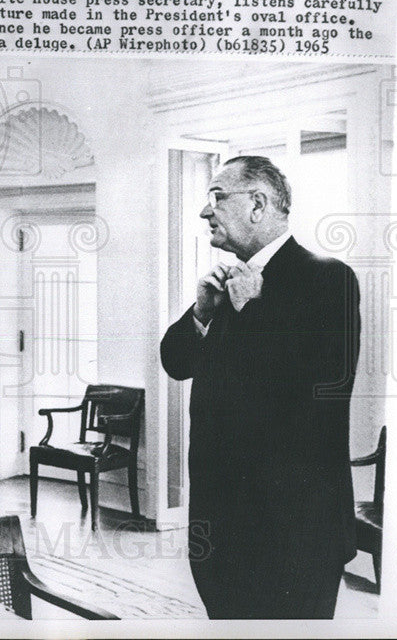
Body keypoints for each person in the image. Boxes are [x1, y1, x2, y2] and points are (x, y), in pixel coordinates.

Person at [160, 156, 360, 619]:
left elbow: (318, 394)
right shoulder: (231, 282)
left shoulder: (328, 278)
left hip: (291, 533)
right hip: (221, 530)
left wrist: (250, 312)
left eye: (216, 197)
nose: (204, 212)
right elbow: (175, 362)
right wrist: (201, 314)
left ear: (258, 204)